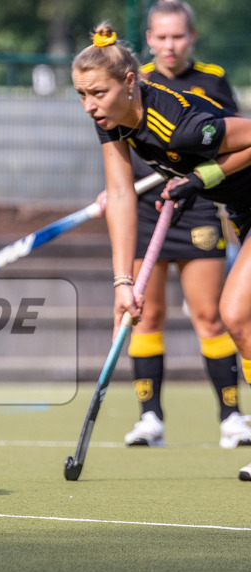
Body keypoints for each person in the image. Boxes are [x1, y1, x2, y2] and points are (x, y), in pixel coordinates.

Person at [72, 25, 251, 480]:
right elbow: (121, 195)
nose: (89, 105)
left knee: (235, 313)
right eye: (81, 94)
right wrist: (122, 282)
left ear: (129, 83)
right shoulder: (112, 121)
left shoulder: (182, 125)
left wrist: (201, 178)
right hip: (243, 212)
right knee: (241, 318)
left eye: (98, 93)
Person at [116, 1, 251, 449]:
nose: (170, 45)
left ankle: (232, 417)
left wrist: (199, 178)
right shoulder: (126, 89)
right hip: (149, 208)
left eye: (178, 36)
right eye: (161, 37)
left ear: (190, 37)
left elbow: (228, 143)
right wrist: (116, 191)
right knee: (147, 314)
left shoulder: (208, 81)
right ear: (149, 40)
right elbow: (124, 166)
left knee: (216, 315)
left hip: (199, 204)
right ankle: (150, 417)